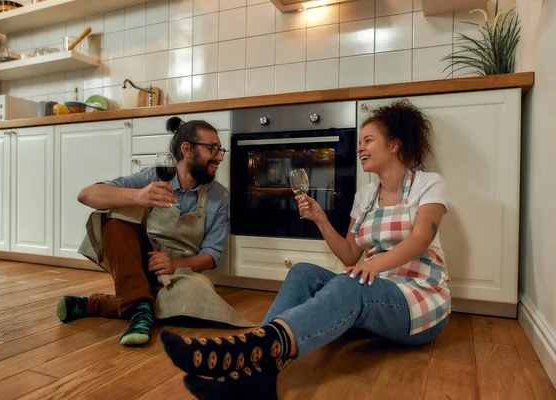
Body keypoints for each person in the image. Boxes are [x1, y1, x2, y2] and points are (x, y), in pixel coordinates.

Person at [159, 100, 451, 400]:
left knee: (351, 283)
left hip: (418, 302)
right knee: (302, 272)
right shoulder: (365, 195)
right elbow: (350, 254)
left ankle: (246, 348)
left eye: (368, 140)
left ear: (394, 145)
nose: (361, 147)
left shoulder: (427, 184)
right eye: (360, 141)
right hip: (371, 292)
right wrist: (319, 218)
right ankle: (260, 374)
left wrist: (373, 267)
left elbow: (420, 239)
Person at [55, 117, 244, 347]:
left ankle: (106, 304)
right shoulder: (152, 178)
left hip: (181, 272)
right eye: (212, 149)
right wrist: (138, 196)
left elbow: (212, 255)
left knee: (198, 296)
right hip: (137, 261)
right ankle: (141, 303)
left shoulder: (220, 196)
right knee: (113, 215)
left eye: (219, 149)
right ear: (187, 149)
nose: (220, 157)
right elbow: (87, 194)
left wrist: (173, 265)